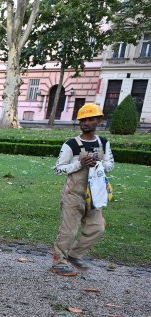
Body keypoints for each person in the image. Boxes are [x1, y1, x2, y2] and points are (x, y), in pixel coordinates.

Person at [50, 103, 114, 276]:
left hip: (94, 194)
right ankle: (58, 261)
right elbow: (57, 169)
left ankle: (74, 255)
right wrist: (79, 164)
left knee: (98, 228)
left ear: (99, 120)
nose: (86, 122)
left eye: (90, 119)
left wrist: (99, 163)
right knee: (68, 231)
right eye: (83, 119)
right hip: (74, 194)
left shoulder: (103, 143)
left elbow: (110, 165)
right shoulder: (71, 145)